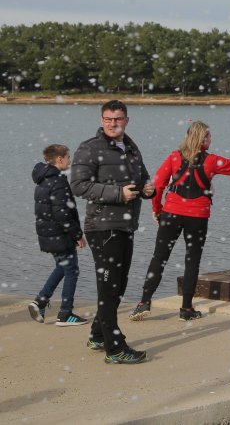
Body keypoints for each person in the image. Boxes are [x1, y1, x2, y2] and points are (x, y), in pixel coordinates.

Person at [129, 121, 230, 322]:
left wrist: (157, 209)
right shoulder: (211, 161)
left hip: (171, 214)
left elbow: (158, 185)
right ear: (203, 139)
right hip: (197, 217)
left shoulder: (174, 157)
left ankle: (144, 302)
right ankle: (186, 309)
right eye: (209, 136)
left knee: (159, 258)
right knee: (192, 261)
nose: (211, 140)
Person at [70, 99, 154, 365]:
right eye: (108, 119)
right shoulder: (89, 148)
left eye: (117, 119)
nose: (113, 123)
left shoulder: (130, 146)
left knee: (119, 285)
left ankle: (97, 335)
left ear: (126, 120)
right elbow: (78, 185)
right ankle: (115, 349)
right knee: (109, 288)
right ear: (101, 120)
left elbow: (141, 178)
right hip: (102, 227)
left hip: (125, 225)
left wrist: (148, 188)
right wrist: (118, 193)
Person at [29, 144, 88, 326]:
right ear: (59, 159)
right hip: (60, 234)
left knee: (62, 267)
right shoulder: (58, 181)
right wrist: (77, 235)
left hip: (49, 233)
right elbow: (62, 213)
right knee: (71, 270)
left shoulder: (43, 178)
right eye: (68, 157)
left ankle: (40, 301)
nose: (69, 161)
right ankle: (65, 313)